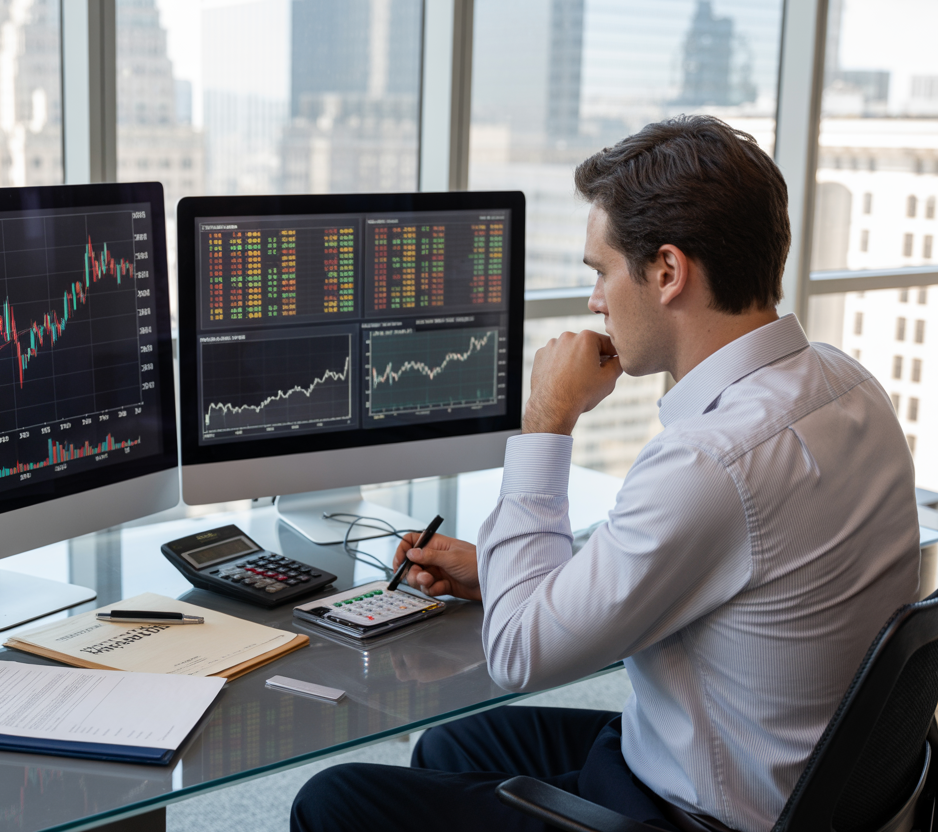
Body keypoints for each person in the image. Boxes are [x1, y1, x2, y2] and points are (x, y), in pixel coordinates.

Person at [290, 115, 921, 832]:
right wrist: (498, 572)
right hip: (808, 788)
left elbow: (516, 653)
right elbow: (709, 559)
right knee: (450, 744)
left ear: (667, 271)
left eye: (601, 271)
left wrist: (547, 419)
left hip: (698, 813)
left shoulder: (710, 460)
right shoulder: (847, 383)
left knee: (334, 801)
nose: (594, 300)